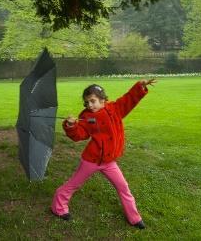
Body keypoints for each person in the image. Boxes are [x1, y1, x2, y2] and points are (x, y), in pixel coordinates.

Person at [51, 79, 157, 229]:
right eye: (87, 102)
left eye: (93, 101)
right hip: (91, 160)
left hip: (109, 162)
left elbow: (128, 99)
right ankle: (58, 208)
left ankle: (134, 218)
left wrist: (140, 86)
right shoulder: (86, 116)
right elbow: (79, 135)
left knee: (123, 187)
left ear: (103, 100)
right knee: (74, 184)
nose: (90, 105)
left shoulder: (115, 109)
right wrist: (71, 125)